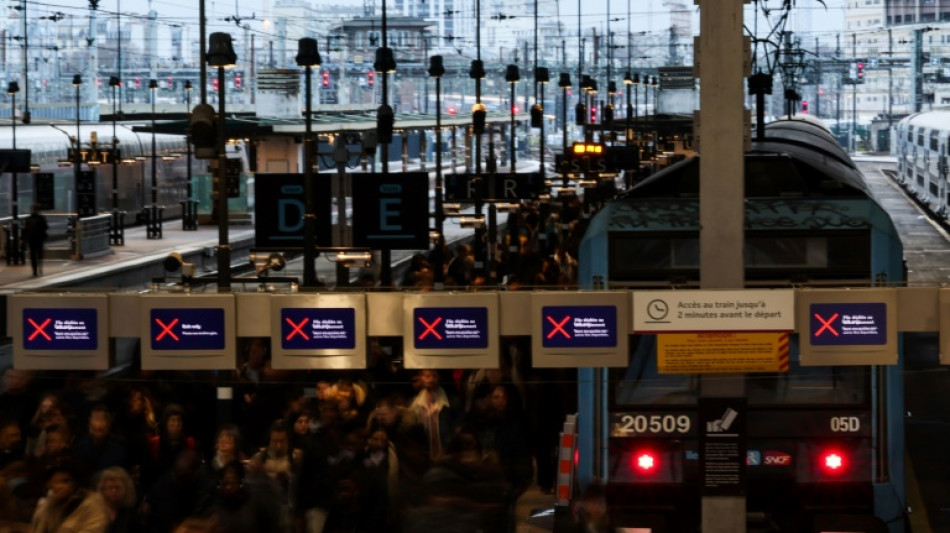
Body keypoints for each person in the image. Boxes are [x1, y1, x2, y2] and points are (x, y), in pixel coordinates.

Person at [30, 462, 110, 533]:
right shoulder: (47, 505)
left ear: (75, 483)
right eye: (55, 482)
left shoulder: (93, 505)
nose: (59, 486)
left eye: (65, 481)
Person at [23, 204, 49, 277]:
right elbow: (46, 227)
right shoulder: (41, 218)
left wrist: (24, 239)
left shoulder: (28, 219)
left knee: (32, 255)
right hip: (39, 238)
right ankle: (39, 267)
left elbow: (25, 230)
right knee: (39, 254)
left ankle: (34, 270)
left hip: (31, 239)